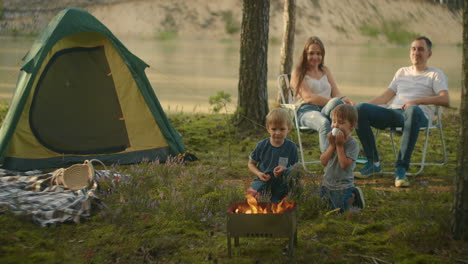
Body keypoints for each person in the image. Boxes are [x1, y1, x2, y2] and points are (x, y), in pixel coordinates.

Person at [354, 36, 450, 188]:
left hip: (419, 116)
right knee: (359, 109)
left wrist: (417, 102)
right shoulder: (402, 72)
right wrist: (359, 106)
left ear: (429, 54)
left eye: (420, 49)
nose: (416, 52)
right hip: (395, 113)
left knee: (412, 110)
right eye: (413, 49)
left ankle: (401, 169)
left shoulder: (435, 74)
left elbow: (445, 99)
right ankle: (373, 163)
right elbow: (385, 97)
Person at [290, 36, 354, 153]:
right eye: (311, 53)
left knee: (344, 108)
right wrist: (333, 101)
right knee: (325, 120)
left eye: (319, 53)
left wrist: (345, 100)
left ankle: (348, 151)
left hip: (325, 110)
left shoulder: (325, 70)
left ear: (322, 55)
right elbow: (308, 97)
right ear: (305, 54)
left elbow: (336, 93)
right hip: (306, 111)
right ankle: (329, 160)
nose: (315, 57)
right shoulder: (298, 72)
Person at [247, 108, 299, 203]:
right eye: (274, 129)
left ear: (289, 128)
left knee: (276, 202)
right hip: (263, 180)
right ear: (268, 128)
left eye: (282, 129)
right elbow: (251, 163)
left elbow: (296, 168)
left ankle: (281, 197)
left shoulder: (291, 147)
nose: (278, 132)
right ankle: (262, 195)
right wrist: (259, 174)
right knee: (251, 196)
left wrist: (285, 170)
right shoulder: (262, 145)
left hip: (281, 182)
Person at [320, 104, 365, 212]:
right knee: (323, 208)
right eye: (334, 121)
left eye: (340, 122)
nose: (336, 125)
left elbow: (344, 165)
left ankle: (353, 195)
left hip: (343, 186)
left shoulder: (352, 144)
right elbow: (323, 161)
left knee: (340, 211)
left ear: (351, 125)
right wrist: (332, 146)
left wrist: (339, 146)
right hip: (327, 184)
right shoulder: (330, 139)